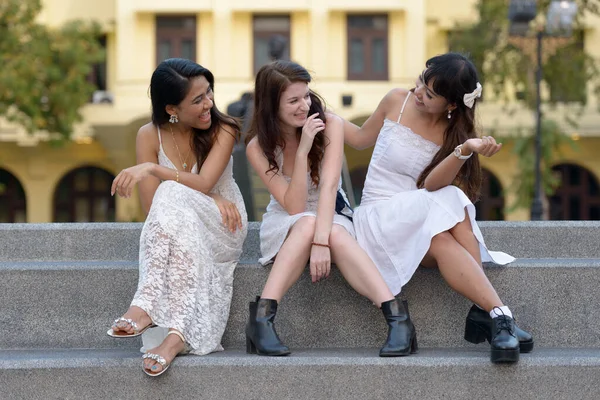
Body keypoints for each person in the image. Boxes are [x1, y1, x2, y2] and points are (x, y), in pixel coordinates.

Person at [344, 53, 533, 364]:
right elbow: (360, 138)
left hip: (417, 222)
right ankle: (496, 315)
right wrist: (320, 112)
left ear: (452, 105)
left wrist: (463, 150)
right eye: (421, 82)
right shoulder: (397, 101)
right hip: (379, 217)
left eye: (430, 94)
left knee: (442, 238)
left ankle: (494, 314)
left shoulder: (454, 134)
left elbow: (431, 185)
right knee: (453, 198)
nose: (418, 93)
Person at [244, 60, 416, 357]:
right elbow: (294, 205)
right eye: (293, 100)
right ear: (272, 105)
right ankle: (261, 321)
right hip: (287, 220)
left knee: (330, 231)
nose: (304, 106)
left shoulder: (331, 124)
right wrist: (302, 151)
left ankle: (398, 318)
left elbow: (328, 186)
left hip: (331, 212)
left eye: (306, 96)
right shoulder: (258, 146)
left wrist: (321, 241)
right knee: (307, 222)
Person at [106, 58, 247, 376]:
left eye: (208, 93)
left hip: (223, 224)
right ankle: (175, 337)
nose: (208, 103)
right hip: (179, 224)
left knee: (169, 191)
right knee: (169, 200)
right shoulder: (148, 134)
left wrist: (154, 168)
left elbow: (205, 182)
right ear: (172, 109)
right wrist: (191, 190)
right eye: (197, 100)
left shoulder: (224, 129)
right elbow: (152, 207)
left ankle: (145, 306)